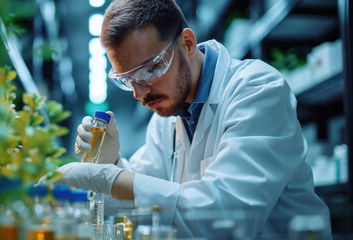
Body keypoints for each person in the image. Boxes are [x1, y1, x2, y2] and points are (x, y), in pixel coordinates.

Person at [40, 0, 332, 238]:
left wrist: (108, 178)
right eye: (127, 80)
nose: (139, 93)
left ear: (188, 44)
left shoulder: (256, 90)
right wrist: (112, 164)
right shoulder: (167, 115)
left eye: (148, 70)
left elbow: (224, 217)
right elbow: (145, 199)